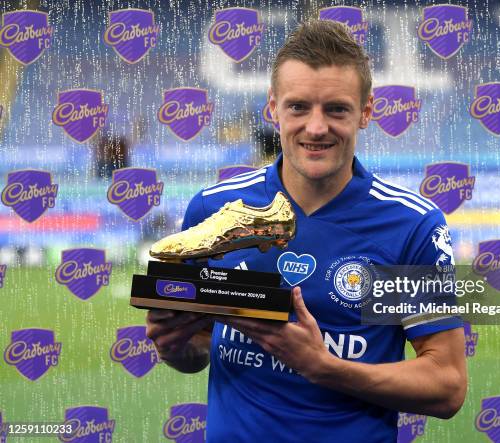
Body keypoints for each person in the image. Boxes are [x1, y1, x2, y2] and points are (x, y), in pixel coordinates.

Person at [146, 19, 466, 442]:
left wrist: (324, 367)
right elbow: (197, 351)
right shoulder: (214, 211)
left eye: (336, 109)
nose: (316, 128)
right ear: (272, 109)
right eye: (298, 107)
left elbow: (446, 385)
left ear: (366, 112)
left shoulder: (410, 227)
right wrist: (174, 346)